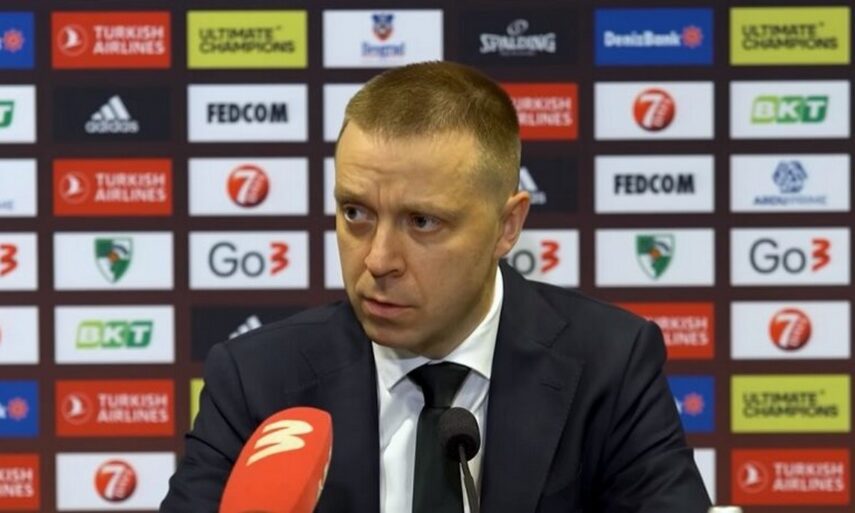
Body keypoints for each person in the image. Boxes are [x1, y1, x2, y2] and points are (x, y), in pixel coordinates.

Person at [161, 61, 712, 513]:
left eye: (423, 222)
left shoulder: (609, 365)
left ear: (507, 227)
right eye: (355, 213)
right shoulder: (258, 381)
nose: (378, 260)